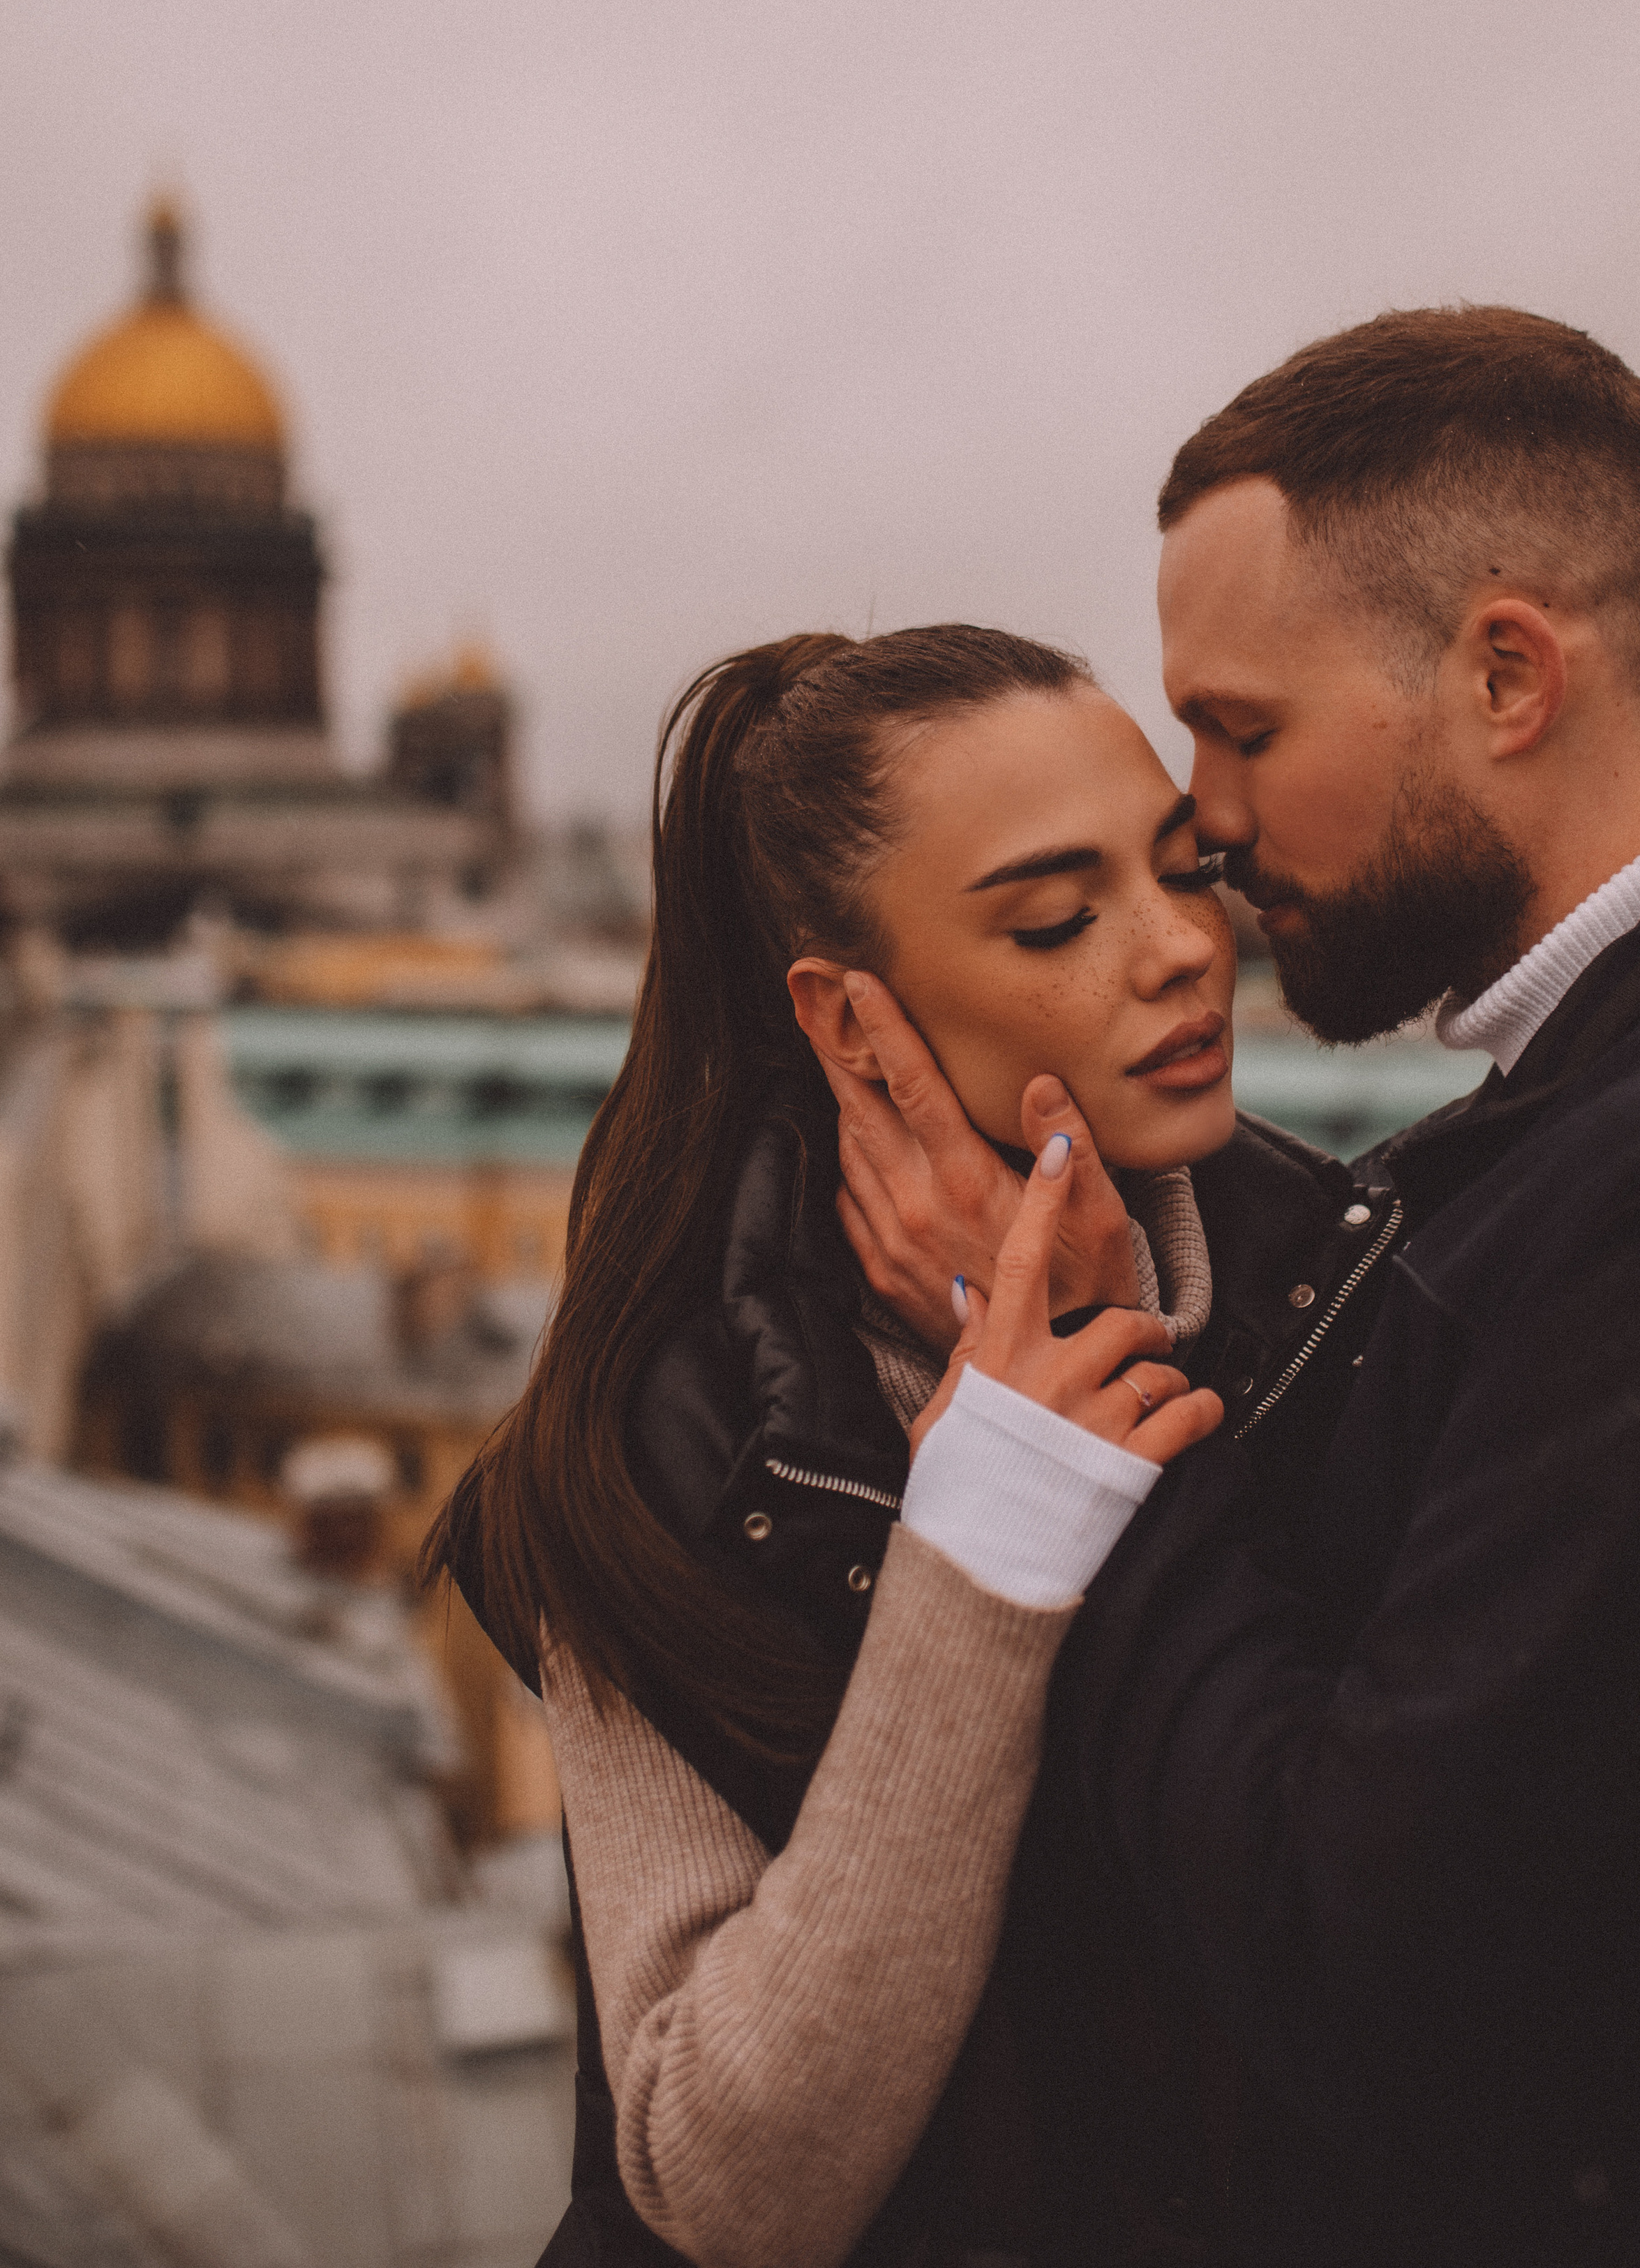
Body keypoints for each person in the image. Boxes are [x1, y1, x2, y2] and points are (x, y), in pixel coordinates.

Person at [835, 306, 1640, 2266]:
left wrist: (1087, 1412)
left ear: (1505, 676)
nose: (1204, 816)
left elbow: (1360, 1963)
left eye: (1244, 729)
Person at [434, 621, 1403, 2268]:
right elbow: (729, 2186)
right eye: (1057, 919)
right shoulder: (658, 1449)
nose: (1183, 947)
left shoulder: (1360, 1291)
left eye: (1183, 870)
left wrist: (1100, 1353)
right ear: (847, 1021)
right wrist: (989, 1527)